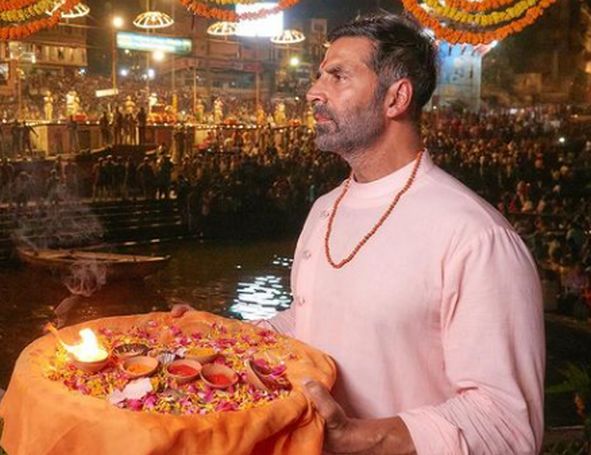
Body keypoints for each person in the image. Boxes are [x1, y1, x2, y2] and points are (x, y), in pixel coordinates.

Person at [174, 14, 544, 454]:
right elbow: (311, 318)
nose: (313, 92)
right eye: (319, 76)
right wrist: (220, 335)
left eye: (338, 76)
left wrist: (356, 438)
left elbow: (506, 425)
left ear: (396, 98)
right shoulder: (324, 208)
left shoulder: (476, 237)